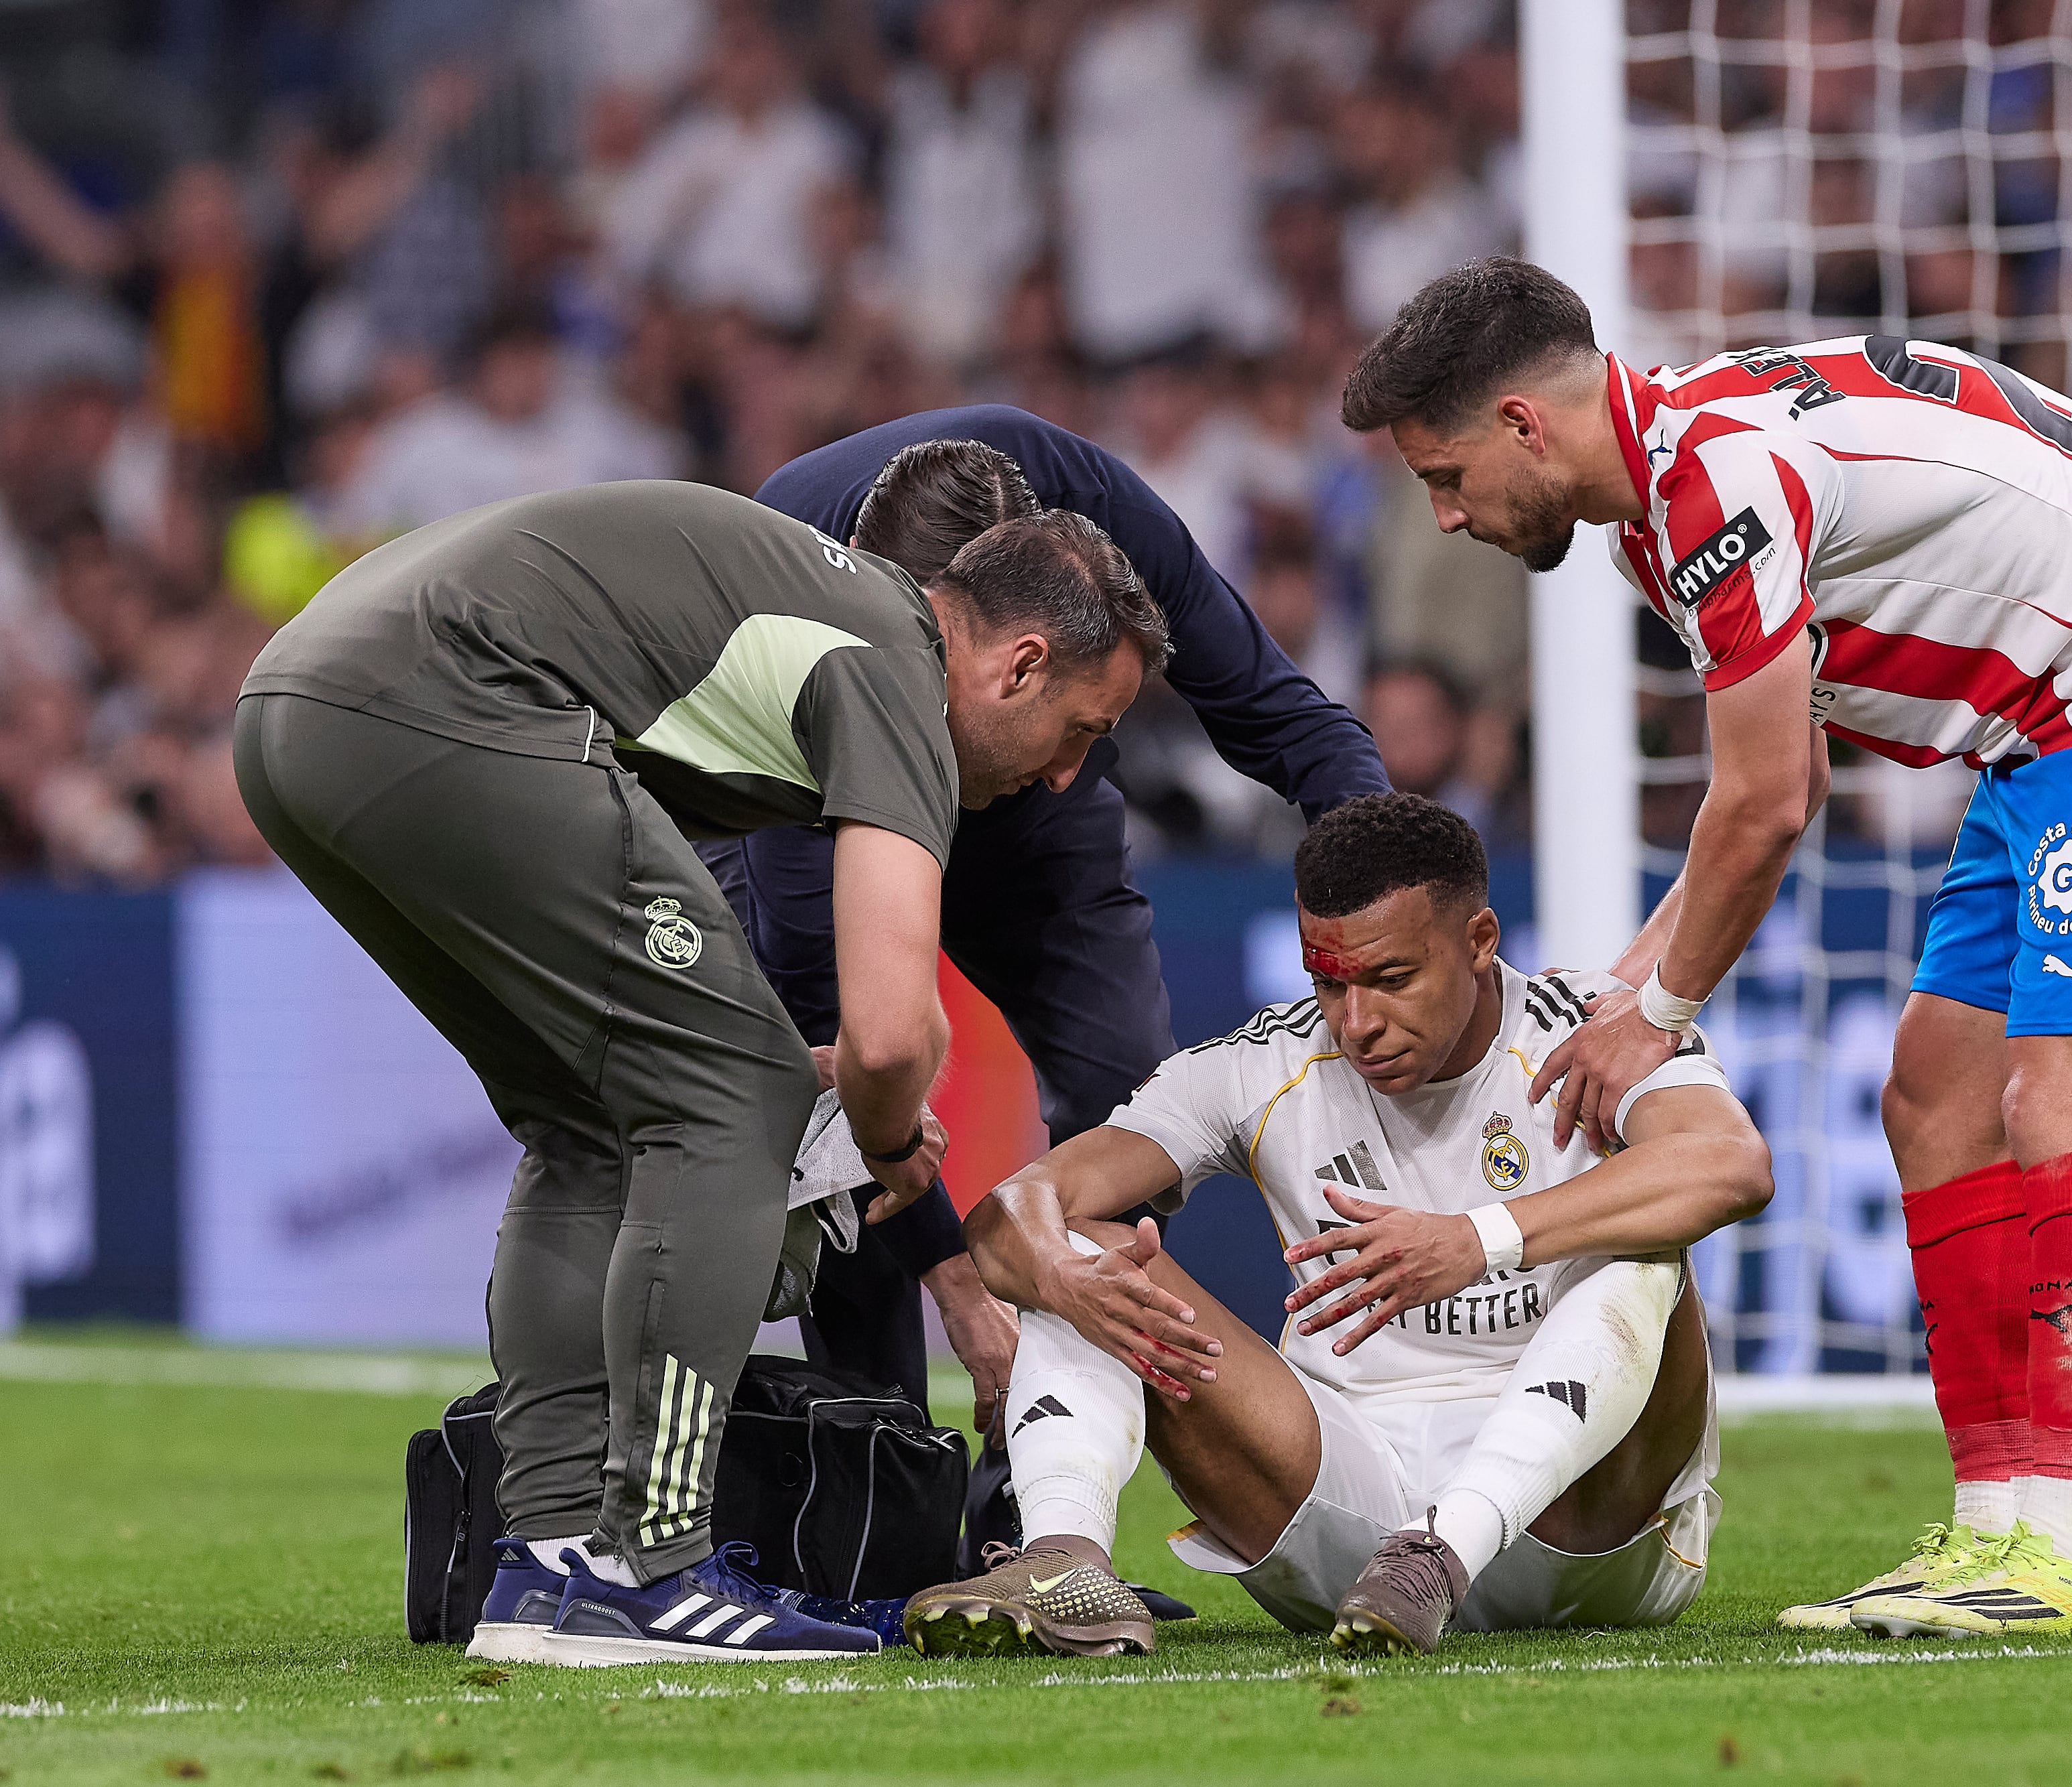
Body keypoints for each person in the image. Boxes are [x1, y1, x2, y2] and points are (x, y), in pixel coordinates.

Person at [1340, 259, 2072, 1638]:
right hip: (2041, 737)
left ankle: (2071, 1550)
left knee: (2055, 1095)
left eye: (1445, 474)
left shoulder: (1710, 485)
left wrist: (1651, 1009)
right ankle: (1991, 1532)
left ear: (1519, 423)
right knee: (1931, 1095)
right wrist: (1622, 993)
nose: (1446, 513)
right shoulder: (1661, 505)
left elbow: (1767, 802)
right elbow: (1792, 782)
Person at [235, 482, 1166, 1664]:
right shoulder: (895, 667)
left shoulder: (819, 623)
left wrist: (798, 1073)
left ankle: (558, 1560)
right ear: (1019, 666)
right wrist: (878, 1138)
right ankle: (650, 1559)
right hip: (445, 699)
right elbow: (890, 1037)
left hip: (296, 706)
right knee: (734, 1103)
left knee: (591, 1125)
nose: (1065, 776)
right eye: (1084, 730)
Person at [898, 793, 1772, 1658]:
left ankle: (1448, 1546)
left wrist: (1477, 1238)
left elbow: (1732, 1166)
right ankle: (1064, 1561)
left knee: (1645, 1248)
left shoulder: (1592, 1030)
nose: (1358, 1023)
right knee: (1084, 1249)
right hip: (1350, 1524)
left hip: (1584, 1530)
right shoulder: (1266, 1063)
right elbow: (1015, 1209)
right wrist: (1055, 1269)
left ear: (1480, 942)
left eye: (1392, 980)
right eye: (1330, 984)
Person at [709, 409, 1387, 1436]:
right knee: (831, 1141)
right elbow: (843, 1043)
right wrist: (959, 1281)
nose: (1082, 768)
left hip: (1021, 791)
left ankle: (1048, 1498)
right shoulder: (793, 639)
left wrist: (1388, 903)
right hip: (809, 787)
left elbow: (1284, 716)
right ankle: (888, 1511)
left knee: (1131, 1107)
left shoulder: (1105, 533)